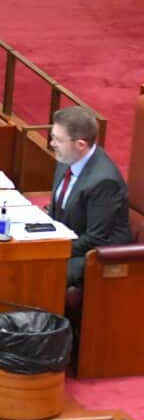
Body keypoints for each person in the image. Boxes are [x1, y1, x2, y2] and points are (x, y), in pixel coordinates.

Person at [47, 105, 131, 286]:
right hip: (70, 240)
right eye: (52, 137)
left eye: (58, 139)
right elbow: (56, 211)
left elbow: (95, 239)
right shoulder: (67, 158)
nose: (52, 143)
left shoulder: (104, 181)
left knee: (43, 272)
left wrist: (50, 250)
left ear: (80, 145)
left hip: (95, 257)